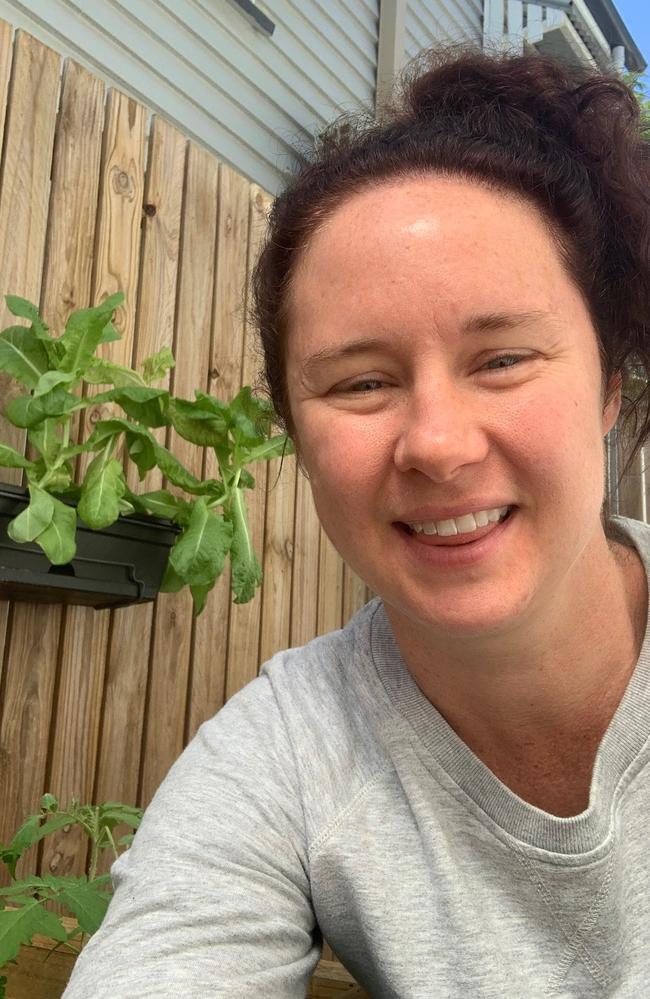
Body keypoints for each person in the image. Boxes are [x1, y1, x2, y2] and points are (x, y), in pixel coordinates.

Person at [62, 43, 650, 998]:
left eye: (501, 358)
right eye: (362, 382)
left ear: (609, 387)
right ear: (296, 434)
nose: (437, 443)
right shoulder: (286, 753)